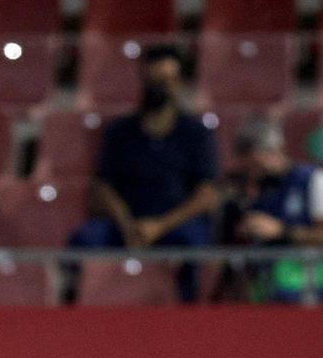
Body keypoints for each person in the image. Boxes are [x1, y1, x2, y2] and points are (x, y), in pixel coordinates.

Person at [68, 45, 219, 300]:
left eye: (167, 81)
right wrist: (128, 226)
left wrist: (159, 226)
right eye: (154, 80)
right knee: (86, 238)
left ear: (179, 83)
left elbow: (206, 195)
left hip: (174, 224)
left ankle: (189, 309)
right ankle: (84, 305)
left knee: (196, 243)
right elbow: (103, 187)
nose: (160, 88)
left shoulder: (196, 134)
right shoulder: (120, 132)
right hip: (126, 222)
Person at [225, 117, 323, 302]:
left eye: (254, 163)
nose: (250, 171)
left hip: (307, 289)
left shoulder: (313, 180)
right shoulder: (259, 190)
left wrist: (282, 231)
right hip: (266, 291)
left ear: (270, 152)